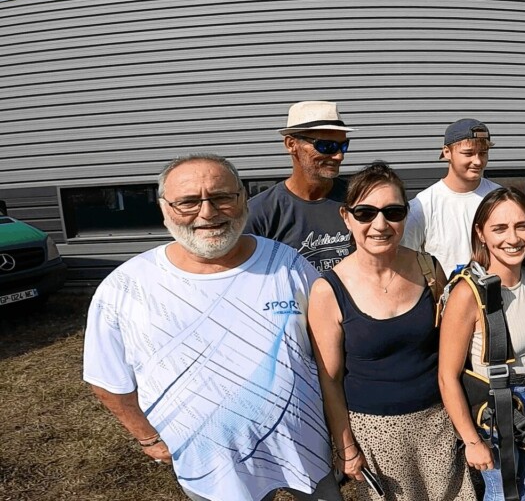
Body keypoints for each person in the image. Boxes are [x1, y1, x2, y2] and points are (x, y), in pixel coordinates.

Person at [83, 154, 341, 501]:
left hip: (306, 447)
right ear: (164, 209)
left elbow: (330, 351)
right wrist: (147, 437)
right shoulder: (125, 287)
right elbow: (106, 378)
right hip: (213, 470)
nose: (207, 213)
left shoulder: (288, 263)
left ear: (242, 200)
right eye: (188, 201)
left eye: (221, 197)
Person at [307, 162, 474, 501]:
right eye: (366, 213)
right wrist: (346, 445)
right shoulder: (328, 290)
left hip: (439, 422)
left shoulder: (429, 268)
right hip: (377, 432)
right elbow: (330, 379)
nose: (380, 225)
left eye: (393, 212)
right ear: (346, 216)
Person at [438, 187, 525, 501]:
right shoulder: (468, 294)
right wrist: (472, 441)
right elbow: (447, 377)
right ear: (481, 233)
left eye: (522, 226)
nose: (513, 238)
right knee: (503, 492)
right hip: (496, 411)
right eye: (499, 228)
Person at [246, 101, 357, 273]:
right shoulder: (260, 213)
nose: (339, 156)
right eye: (326, 146)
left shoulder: (358, 198)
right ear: (291, 145)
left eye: (344, 145)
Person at [401, 118, 502, 277]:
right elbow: (405, 260)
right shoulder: (422, 206)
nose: (477, 161)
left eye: (483, 153)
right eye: (468, 153)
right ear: (447, 152)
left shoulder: (499, 197)